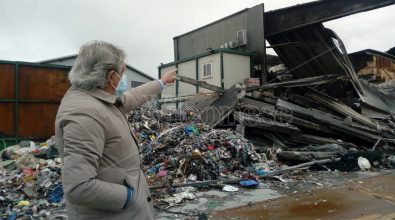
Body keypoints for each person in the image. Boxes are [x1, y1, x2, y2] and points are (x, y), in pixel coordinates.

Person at [55, 41, 176, 219]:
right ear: (111, 76)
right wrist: (128, 196)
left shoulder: (94, 98)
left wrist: (161, 82)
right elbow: (78, 187)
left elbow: (131, 98)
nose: (123, 77)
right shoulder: (85, 114)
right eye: (122, 71)